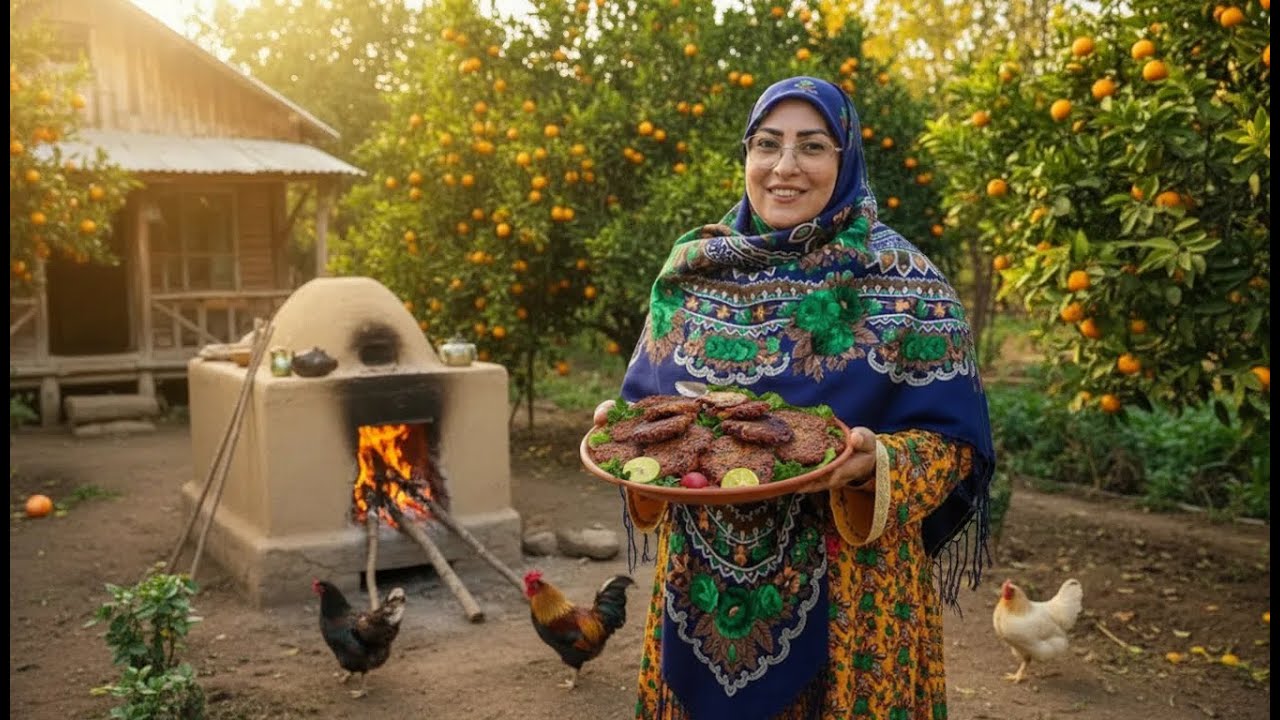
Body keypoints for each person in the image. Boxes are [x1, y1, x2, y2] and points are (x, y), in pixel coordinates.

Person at [594, 76, 995, 720]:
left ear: (846, 158)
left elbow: (955, 445)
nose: (784, 168)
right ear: (746, 156)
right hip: (699, 593)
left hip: (856, 610)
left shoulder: (911, 283)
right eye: (766, 144)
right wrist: (629, 443)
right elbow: (646, 432)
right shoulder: (694, 272)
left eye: (811, 146)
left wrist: (877, 463)